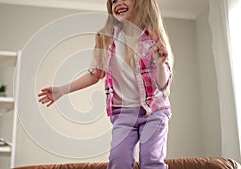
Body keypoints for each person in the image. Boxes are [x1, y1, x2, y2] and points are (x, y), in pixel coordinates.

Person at [38, 0, 173, 169]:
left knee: (151, 159)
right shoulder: (106, 38)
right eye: (114, 1)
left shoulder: (153, 39)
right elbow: (94, 75)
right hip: (123, 112)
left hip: (154, 110)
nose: (117, 3)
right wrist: (62, 90)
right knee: (118, 159)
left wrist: (161, 64)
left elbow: (163, 85)